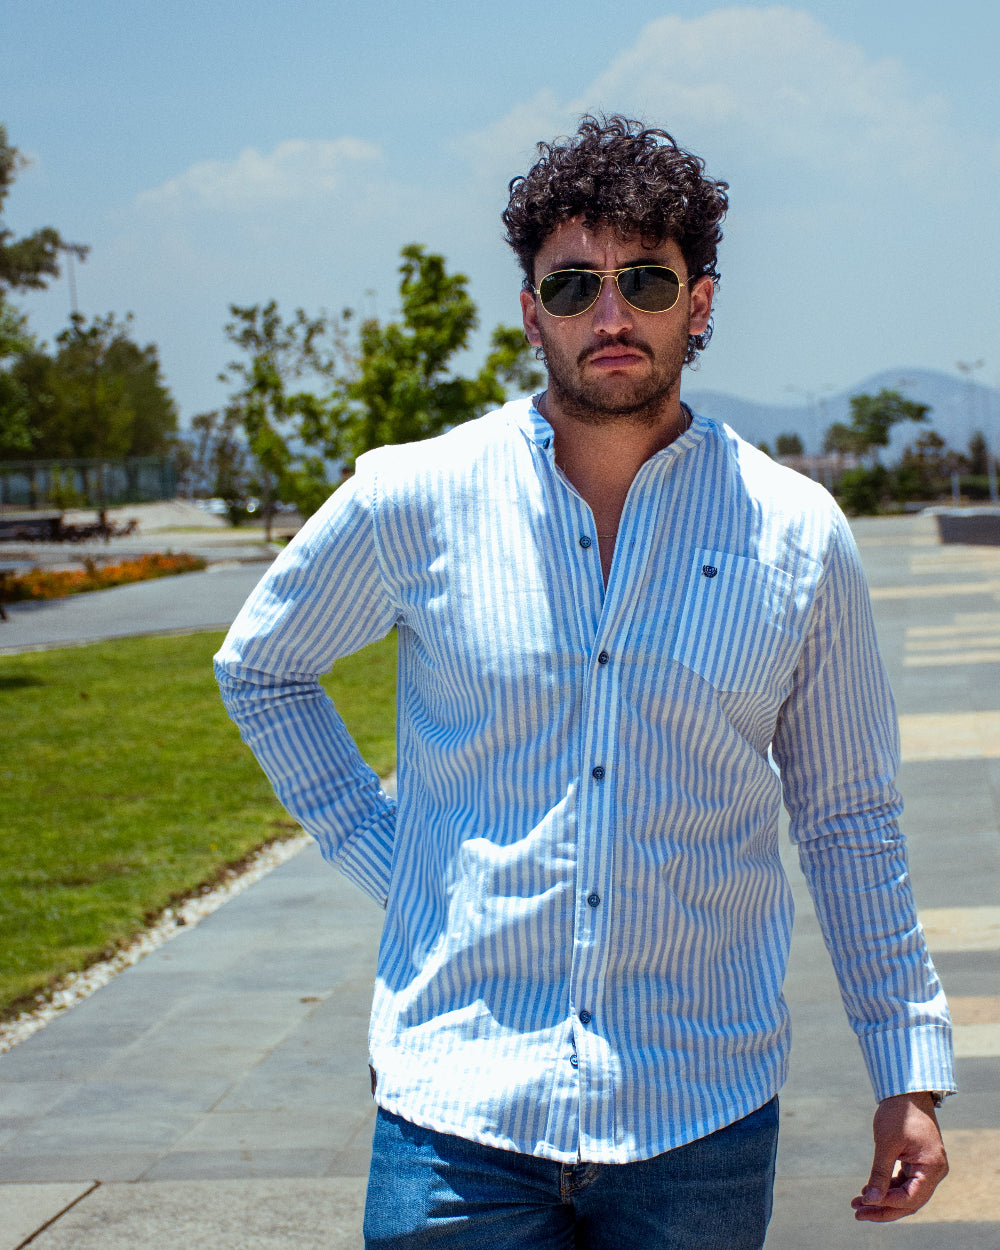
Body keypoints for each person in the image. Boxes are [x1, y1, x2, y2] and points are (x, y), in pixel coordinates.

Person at [215, 115, 954, 1249]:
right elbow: (263, 668)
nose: (609, 316)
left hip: (697, 1112)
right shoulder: (415, 497)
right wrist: (392, 850)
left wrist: (906, 1066)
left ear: (697, 303)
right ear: (531, 312)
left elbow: (849, 814)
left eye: (644, 280)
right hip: (455, 1105)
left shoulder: (797, 534)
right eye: (572, 286)